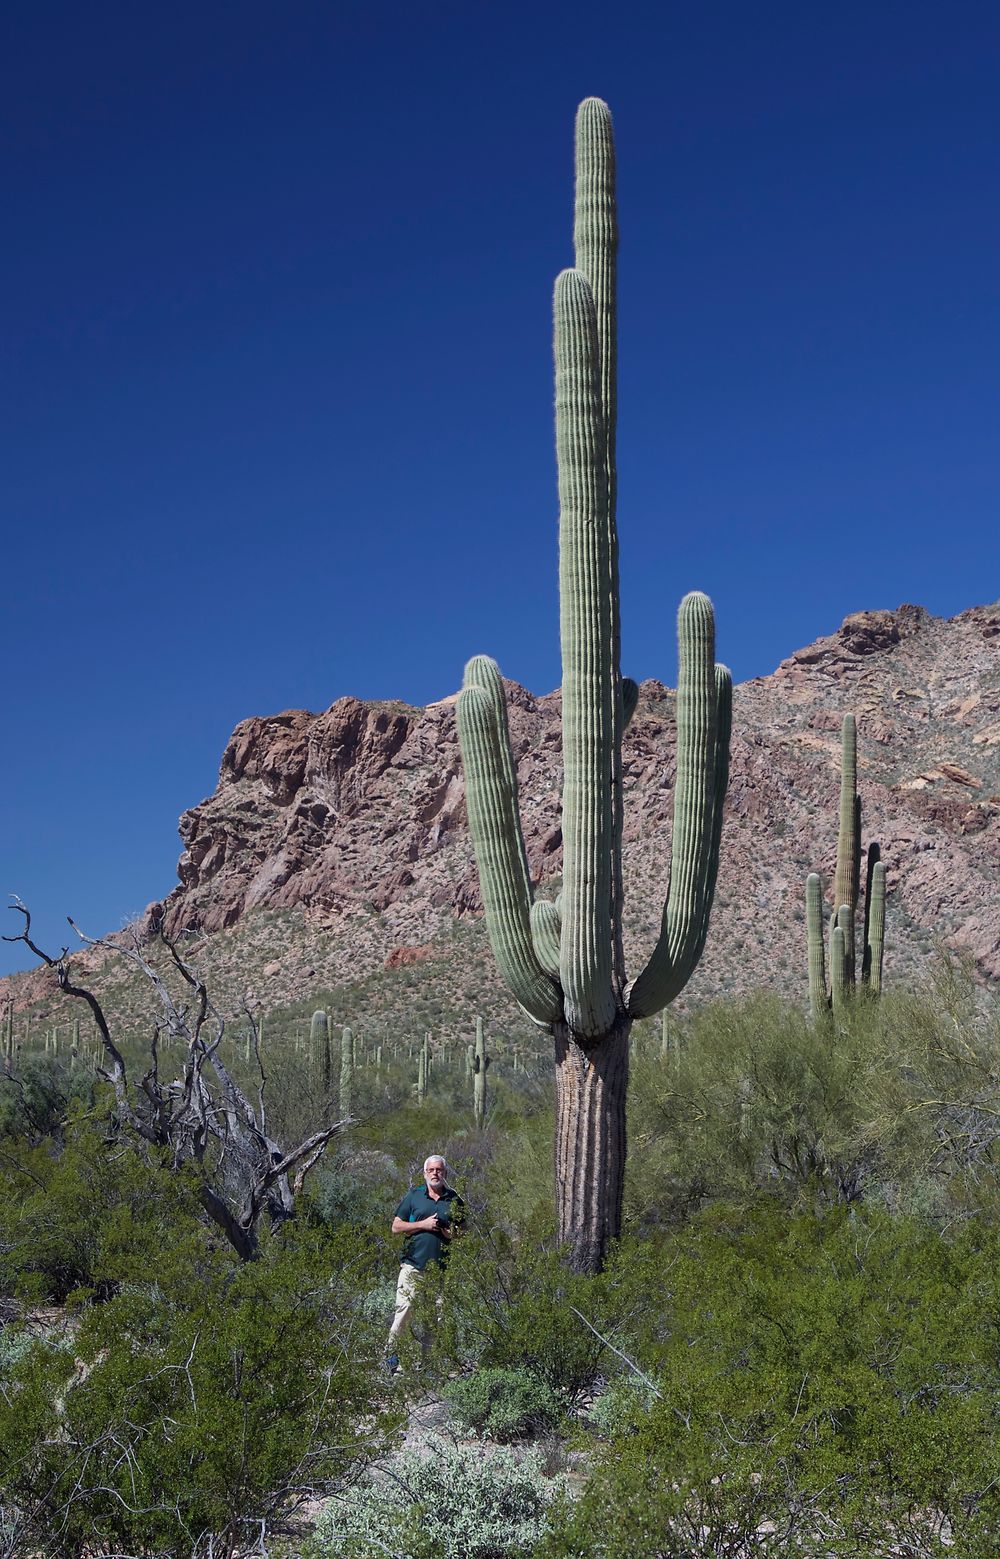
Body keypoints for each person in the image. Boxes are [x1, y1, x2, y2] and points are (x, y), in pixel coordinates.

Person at [385, 1153, 464, 1372]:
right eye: (431, 1170)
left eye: (439, 1170)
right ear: (424, 1173)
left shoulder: (454, 1198)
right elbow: (396, 1227)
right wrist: (424, 1224)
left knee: (436, 1316)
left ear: (445, 1173)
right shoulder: (414, 1196)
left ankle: (429, 1364)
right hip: (413, 1264)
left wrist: (451, 1233)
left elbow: (464, 1229)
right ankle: (391, 1359)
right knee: (404, 1309)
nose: (435, 1173)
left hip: (440, 1268)